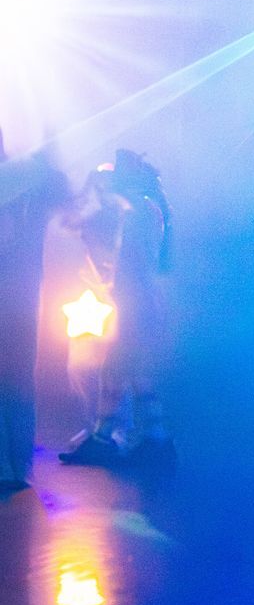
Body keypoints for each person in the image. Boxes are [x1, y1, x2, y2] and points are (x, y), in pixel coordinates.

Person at [57, 149, 173, 469]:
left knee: (119, 367)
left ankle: (106, 440)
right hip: (142, 298)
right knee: (133, 371)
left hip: (134, 300)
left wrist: (119, 296)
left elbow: (130, 262)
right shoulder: (149, 205)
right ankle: (155, 440)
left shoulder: (135, 209)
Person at [0, 133, 69, 491]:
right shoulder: (33, 189)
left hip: (9, 294)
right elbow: (65, 199)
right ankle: (19, 465)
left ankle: (6, 467)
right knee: (19, 379)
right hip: (25, 297)